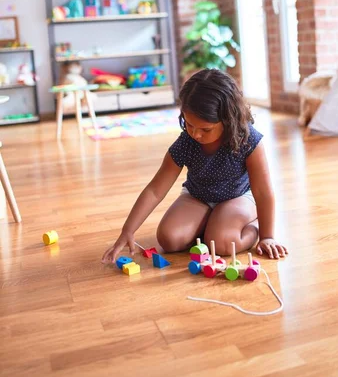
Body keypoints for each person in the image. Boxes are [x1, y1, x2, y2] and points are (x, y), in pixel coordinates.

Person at [102, 69, 288, 263]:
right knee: (169, 239)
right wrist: (128, 230)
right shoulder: (186, 142)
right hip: (197, 196)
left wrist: (267, 236)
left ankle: (253, 225)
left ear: (228, 120)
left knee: (222, 244)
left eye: (205, 129)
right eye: (189, 125)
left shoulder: (248, 140)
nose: (196, 134)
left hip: (238, 196)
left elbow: (263, 192)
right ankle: (211, 221)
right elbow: (155, 190)